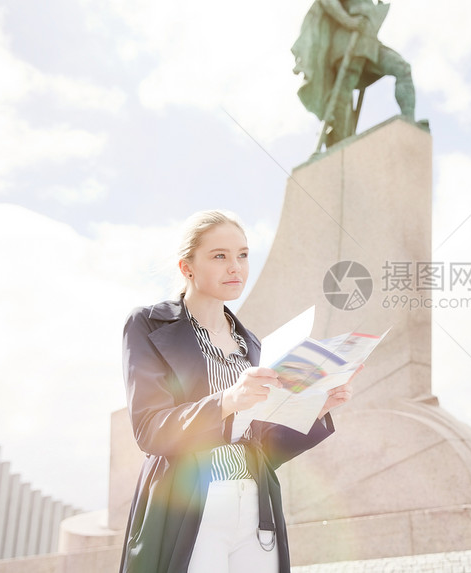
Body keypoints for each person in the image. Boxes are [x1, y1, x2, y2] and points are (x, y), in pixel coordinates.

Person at [119, 210, 355, 573]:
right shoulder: (148, 325)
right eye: (220, 256)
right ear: (187, 268)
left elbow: (263, 447)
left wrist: (316, 407)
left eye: (243, 255)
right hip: (191, 504)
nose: (236, 267)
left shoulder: (253, 347)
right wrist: (228, 400)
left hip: (256, 504)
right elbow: (150, 430)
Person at [292, 0, 415, 147]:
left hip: (368, 39)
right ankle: (339, 144)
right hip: (347, 39)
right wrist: (348, 21)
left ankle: (410, 122)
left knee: (402, 69)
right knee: (344, 92)